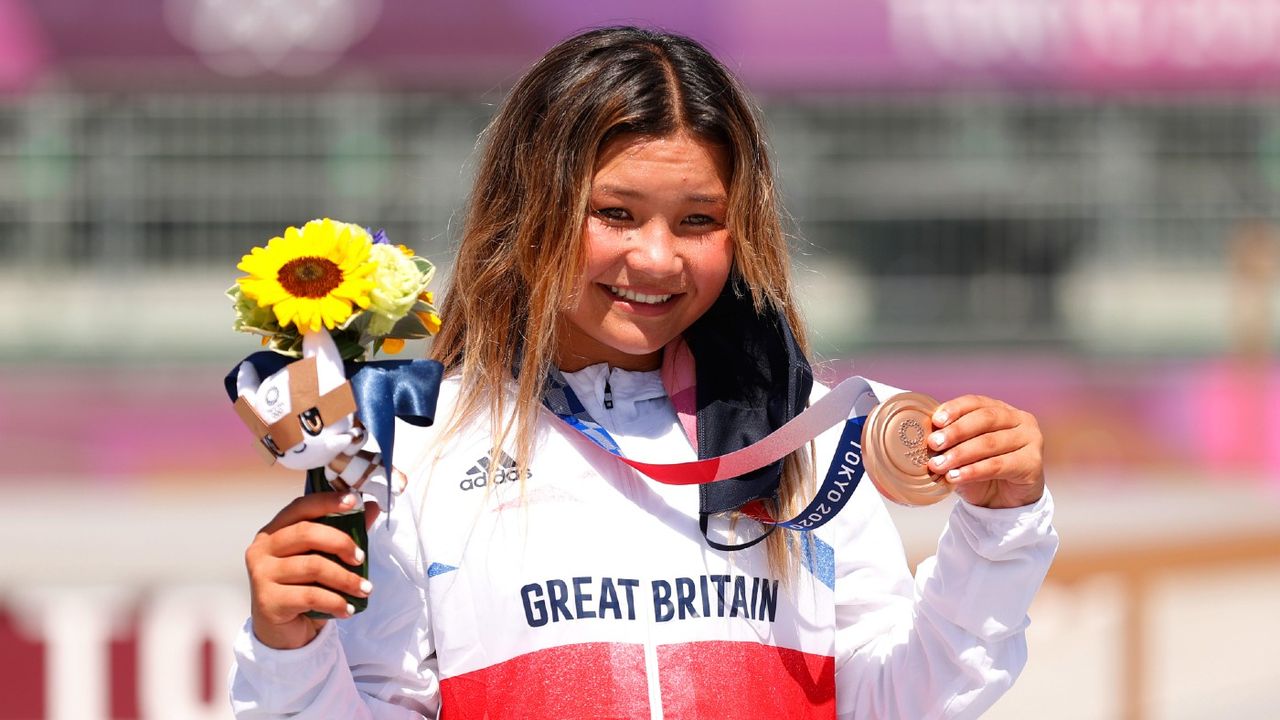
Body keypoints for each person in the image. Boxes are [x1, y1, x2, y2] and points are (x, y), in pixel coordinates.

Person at [229, 26, 1057, 720]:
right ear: (530, 207)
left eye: (699, 221)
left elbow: (900, 698)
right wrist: (290, 650)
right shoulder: (420, 444)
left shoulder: (803, 430)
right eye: (615, 213)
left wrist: (999, 531)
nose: (656, 259)